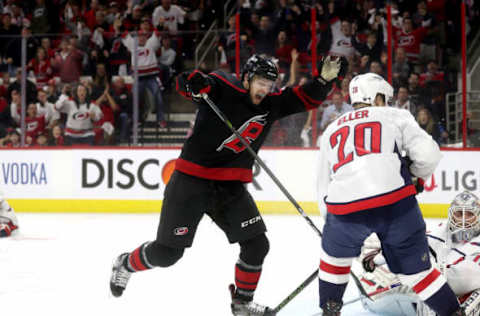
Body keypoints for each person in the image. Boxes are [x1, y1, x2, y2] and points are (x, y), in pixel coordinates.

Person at [109, 54, 345, 315]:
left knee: (257, 245)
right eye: (260, 83)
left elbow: (305, 98)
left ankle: (242, 304)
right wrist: (192, 82)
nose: (264, 90)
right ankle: (125, 264)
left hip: (229, 188)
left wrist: (324, 80)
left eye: (269, 84)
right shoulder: (224, 85)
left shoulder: (271, 104)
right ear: (246, 78)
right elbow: (190, 84)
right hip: (191, 181)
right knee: (167, 255)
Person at [316, 72, 465, 316]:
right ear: (375, 97)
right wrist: (415, 176)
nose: (387, 103)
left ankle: (330, 310)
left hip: (344, 211)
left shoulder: (331, 130)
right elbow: (429, 155)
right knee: (421, 274)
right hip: (396, 203)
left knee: (333, 263)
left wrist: (332, 228)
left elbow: (322, 186)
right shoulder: (395, 115)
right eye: (384, 98)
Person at [359, 190, 480, 315]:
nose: (463, 220)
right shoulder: (441, 231)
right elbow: (411, 248)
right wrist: (381, 257)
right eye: (459, 214)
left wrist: (421, 275)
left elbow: (465, 279)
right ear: (451, 214)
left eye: (469, 214)